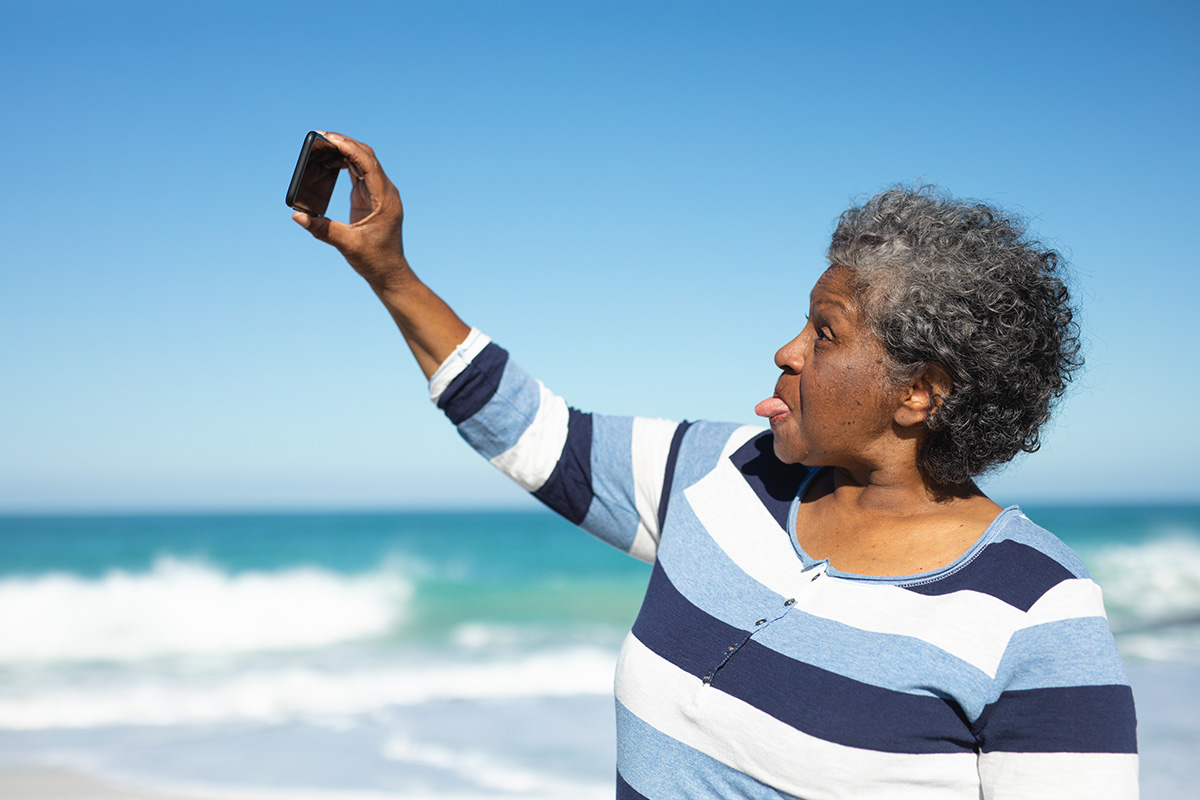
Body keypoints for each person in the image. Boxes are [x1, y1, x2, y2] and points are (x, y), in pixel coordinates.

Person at [293, 132, 1138, 799]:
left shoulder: (1037, 612)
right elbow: (531, 428)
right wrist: (390, 272)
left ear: (918, 394)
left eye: (825, 332)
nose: (787, 349)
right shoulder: (729, 468)